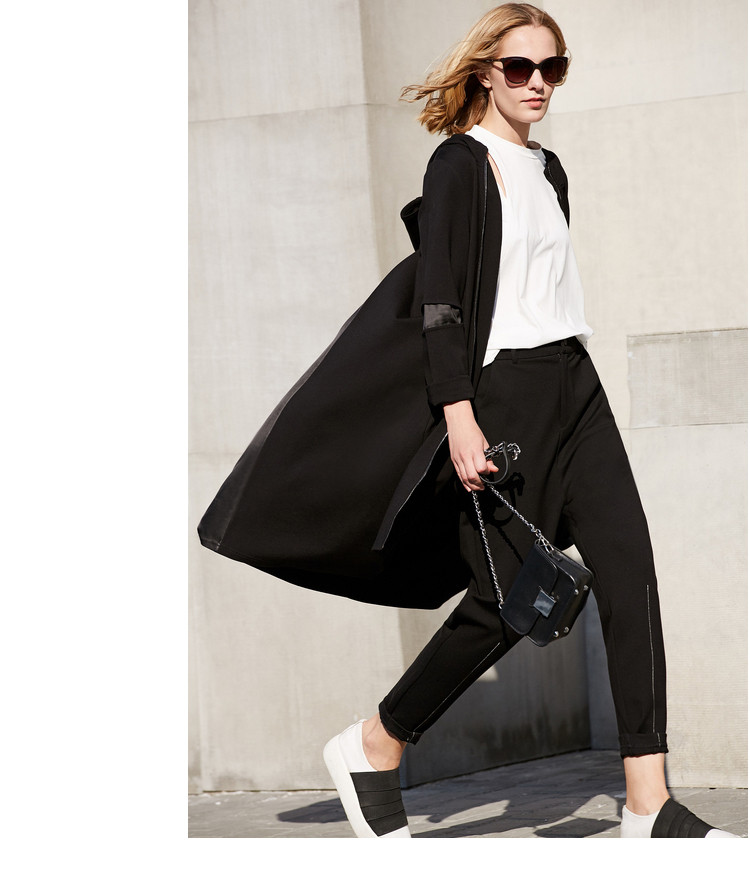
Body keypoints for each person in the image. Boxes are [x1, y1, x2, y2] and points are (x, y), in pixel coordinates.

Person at [199, 3, 740, 839]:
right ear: (486, 71)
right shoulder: (459, 163)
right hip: (503, 391)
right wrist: (459, 412)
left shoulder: (550, 169)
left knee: (631, 572)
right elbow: (442, 301)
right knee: (505, 602)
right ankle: (378, 739)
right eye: (521, 67)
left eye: (553, 68)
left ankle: (647, 801)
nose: (538, 84)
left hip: (577, 383)